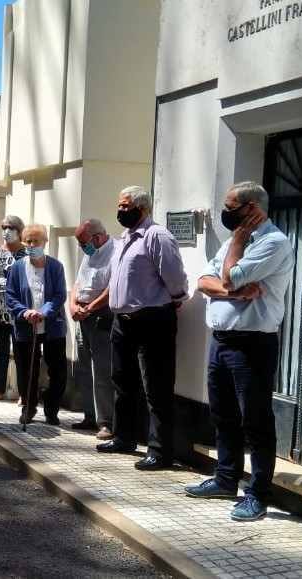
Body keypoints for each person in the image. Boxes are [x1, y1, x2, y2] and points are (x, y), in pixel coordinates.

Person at [184, 181, 294, 521]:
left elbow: (227, 277)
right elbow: (204, 281)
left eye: (231, 207)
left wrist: (235, 246)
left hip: (252, 343)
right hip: (221, 340)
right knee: (223, 414)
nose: (226, 213)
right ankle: (225, 478)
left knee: (255, 421)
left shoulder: (273, 243)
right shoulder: (238, 241)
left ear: (252, 210)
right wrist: (232, 294)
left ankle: (257, 494)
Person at [96, 185, 189, 471]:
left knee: (156, 386)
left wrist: (175, 300)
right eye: (120, 206)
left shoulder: (156, 236)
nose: (120, 211)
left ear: (143, 208)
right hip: (122, 321)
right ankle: (124, 437)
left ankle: (160, 452)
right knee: (122, 381)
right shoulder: (124, 238)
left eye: (125, 206)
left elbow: (174, 276)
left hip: (152, 320)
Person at [5, 223, 68, 425]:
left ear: (45, 242)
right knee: (26, 370)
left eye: (36, 241)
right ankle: (29, 407)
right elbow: (10, 296)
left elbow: (59, 295)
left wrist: (44, 312)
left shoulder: (56, 266)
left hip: (52, 327)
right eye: (29, 241)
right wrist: (25, 313)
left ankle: (51, 409)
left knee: (57, 370)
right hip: (26, 326)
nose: (32, 245)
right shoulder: (16, 267)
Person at [69, 219, 118, 440]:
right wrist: (73, 305)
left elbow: (112, 288)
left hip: (101, 316)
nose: (82, 247)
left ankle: (106, 421)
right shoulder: (90, 253)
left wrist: (89, 308)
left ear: (96, 237)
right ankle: (89, 415)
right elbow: (78, 284)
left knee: (102, 370)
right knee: (85, 369)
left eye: (83, 243)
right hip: (82, 316)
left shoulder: (116, 252)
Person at [0, 215, 27, 403]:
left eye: (10, 227)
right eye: (3, 227)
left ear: (19, 230)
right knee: (1, 349)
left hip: (18, 310)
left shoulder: (26, 253)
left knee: (19, 351)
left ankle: (24, 393)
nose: (6, 231)